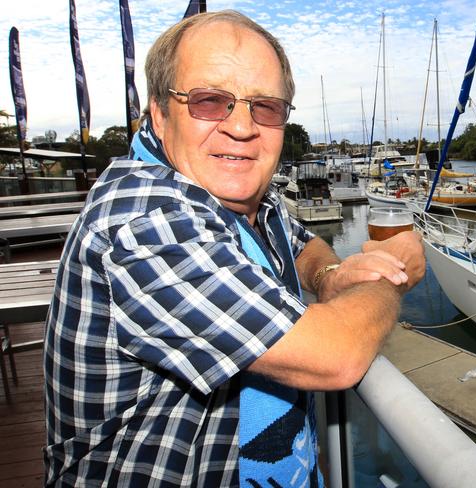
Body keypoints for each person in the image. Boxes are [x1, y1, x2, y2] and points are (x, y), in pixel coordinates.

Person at [43, 10, 425, 487]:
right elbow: (336, 355)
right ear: (159, 114)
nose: (242, 127)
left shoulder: (241, 198)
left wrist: (330, 276)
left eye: (264, 107)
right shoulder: (144, 221)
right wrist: (392, 277)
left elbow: (301, 243)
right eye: (209, 100)